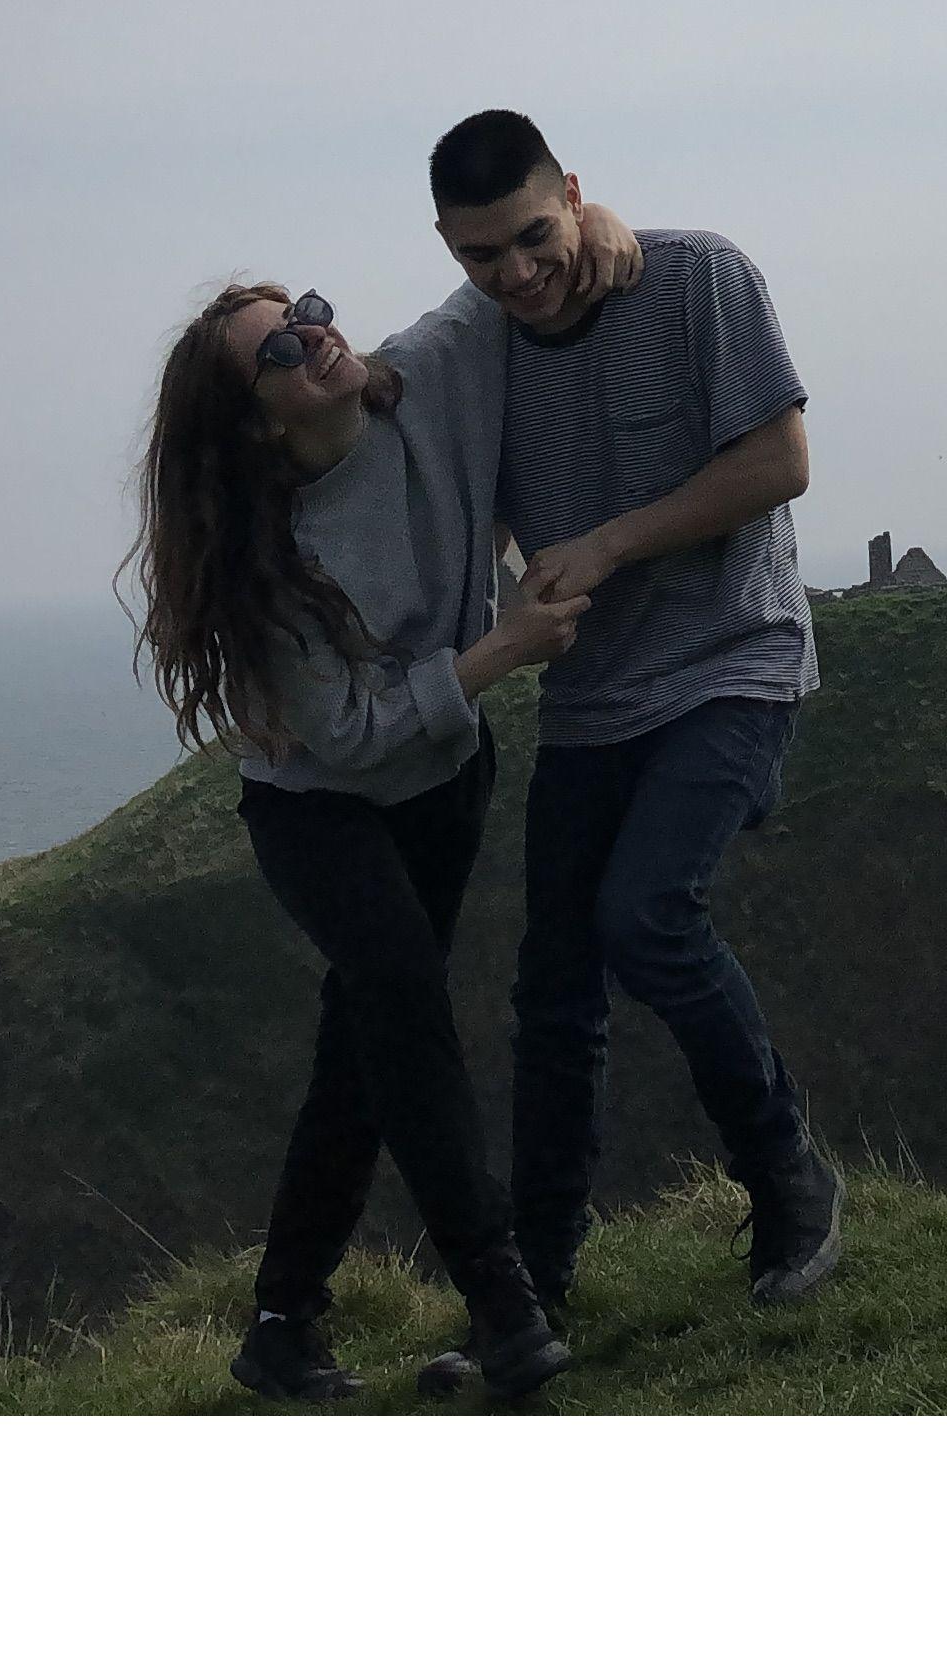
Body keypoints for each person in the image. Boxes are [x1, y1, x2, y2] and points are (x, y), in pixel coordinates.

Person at [118, 220, 630, 1408]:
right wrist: (500, 652)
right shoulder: (265, 558)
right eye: (280, 350)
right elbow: (341, 735)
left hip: (445, 789)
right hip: (321, 814)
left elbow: (510, 267)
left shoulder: (429, 376)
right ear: (256, 421)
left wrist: (596, 222)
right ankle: (503, 1301)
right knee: (403, 1010)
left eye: (307, 312)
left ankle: (283, 1324)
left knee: (365, 1055)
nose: (315, 338)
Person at [400, 109, 843, 1319]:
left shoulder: (699, 278)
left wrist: (603, 542)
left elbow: (781, 462)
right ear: (449, 247)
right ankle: (535, 1284)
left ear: (577, 194)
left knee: (646, 915)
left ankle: (787, 1173)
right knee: (554, 989)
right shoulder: (479, 349)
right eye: (481, 257)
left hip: (732, 662)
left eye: (536, 237)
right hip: (594, 701)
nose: (518, 274)